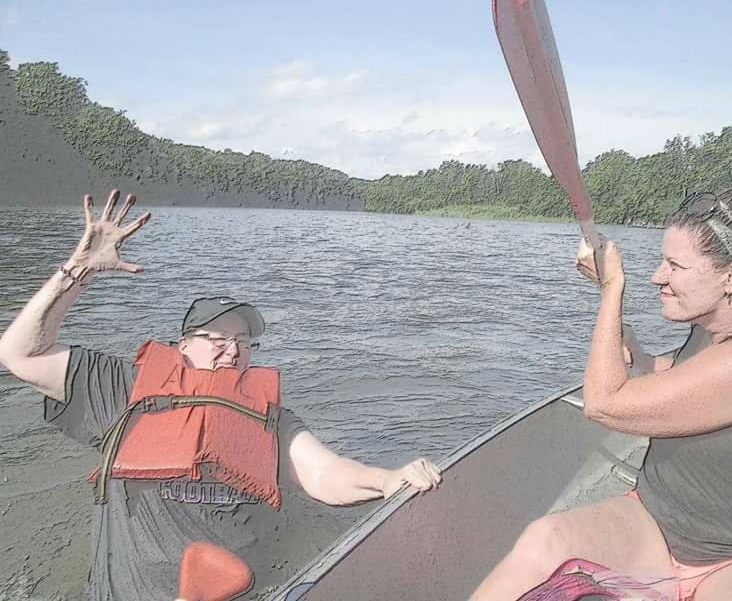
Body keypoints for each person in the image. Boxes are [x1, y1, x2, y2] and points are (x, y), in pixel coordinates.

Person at [0, 190, 442, 601]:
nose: (233, 350)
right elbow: (20, 353)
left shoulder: (270, 418)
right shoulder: (122, 388)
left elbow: (324, 475)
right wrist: (79, 270)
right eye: (217, 338)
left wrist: (388, 479)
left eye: (244, 342)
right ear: (182, 345)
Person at [470, 176, 732, 601]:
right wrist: (638, 354)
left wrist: (612, 289)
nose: (657, 277)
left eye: (674, 266)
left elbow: (604, 405)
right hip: (658, 520)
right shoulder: (713, 328)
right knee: (545, 538)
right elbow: (686, 375)